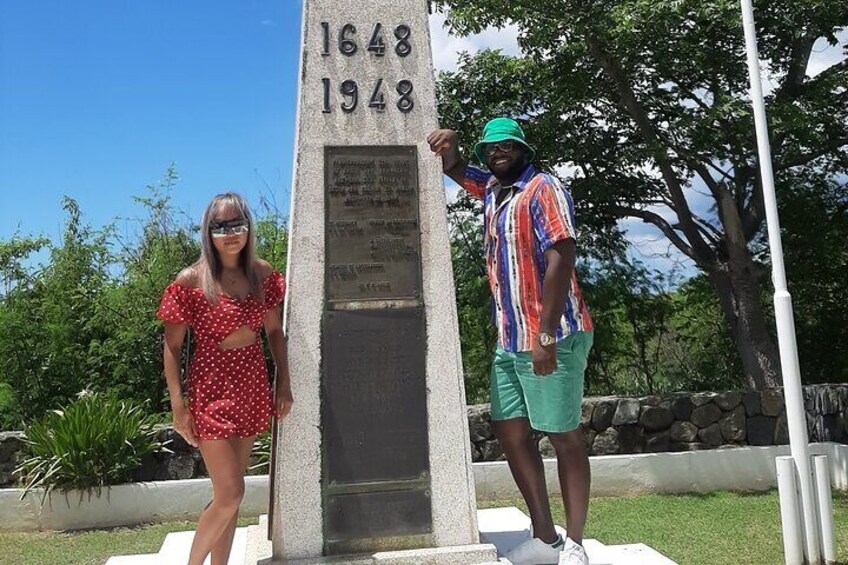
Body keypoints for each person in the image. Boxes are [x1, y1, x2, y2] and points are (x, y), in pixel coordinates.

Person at [428, 119, 594, 565]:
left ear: (522, 148)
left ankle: (575, 542)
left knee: (563, 436)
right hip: (509, 339)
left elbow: (562, 256)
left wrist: (544, 333)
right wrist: (450, 150)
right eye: (491, 149)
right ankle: (545, 536)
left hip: (551, 335)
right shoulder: (496, 193)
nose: (498, 153)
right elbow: (460, 170)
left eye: (506, 146)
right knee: (510, 431)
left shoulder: (542, 188)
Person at [156, 192, 293, 565]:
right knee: (231, 493)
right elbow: (171, 347)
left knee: (227, 494)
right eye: (221, 226)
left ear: (248, 227)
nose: (231, 233)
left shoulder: (261, 274)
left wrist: (283, 383)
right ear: (208, 232)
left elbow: (275, 333)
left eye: (238, 224)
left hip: (251, 384)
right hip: (211, 389)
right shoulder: (191, 281)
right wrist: (178, 406)